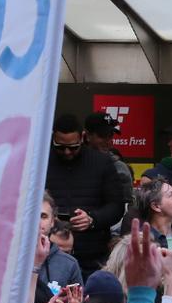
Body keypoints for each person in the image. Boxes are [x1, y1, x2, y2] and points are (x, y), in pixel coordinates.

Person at [46, 113, 126, 275]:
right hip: (48, 252)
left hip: (92, 254)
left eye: (73, 147)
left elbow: (116, 206)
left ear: (82, 137)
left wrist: (92, 219)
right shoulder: (41, 162)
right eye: (60, 147)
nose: (67, 152)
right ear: (52, 138)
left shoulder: (102, 163)